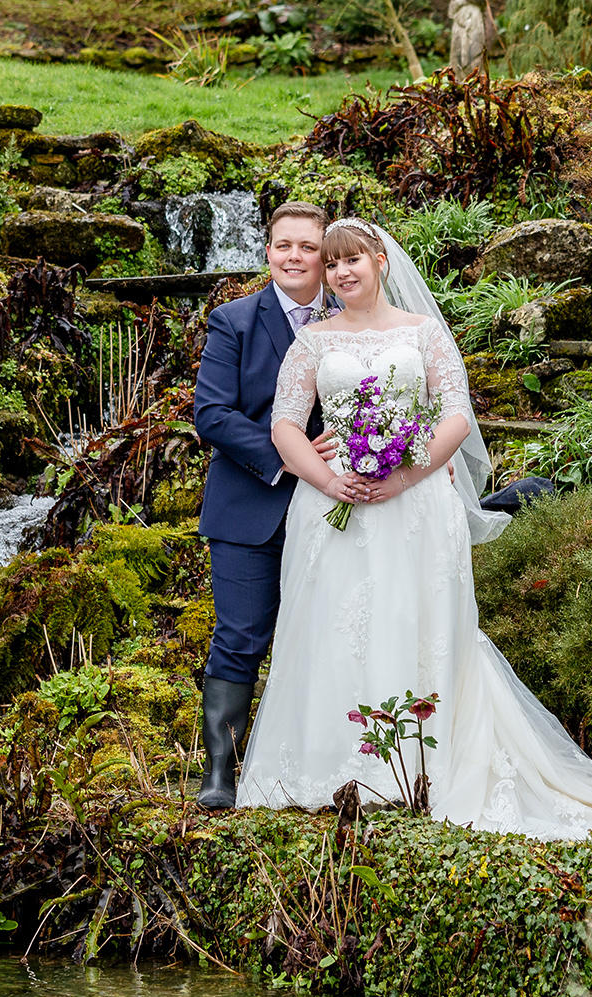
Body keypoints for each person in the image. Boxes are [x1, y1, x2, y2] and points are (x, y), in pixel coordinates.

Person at [235, 218, 592, 839]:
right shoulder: (310, 343)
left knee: (412, 620)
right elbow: (285, 427)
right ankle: (331, 768)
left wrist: (402, 475)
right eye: (332, 264)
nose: (342, 272)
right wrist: (330, 480)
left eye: (353, 260)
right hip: (332, 504)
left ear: (381, 263)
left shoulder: (422, 335)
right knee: (335, 623)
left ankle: (416, 768)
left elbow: (454, 417)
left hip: (412, 502)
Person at [192, 202, 339, 810]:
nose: (295, 257)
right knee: (240, 635)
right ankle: (221, 769)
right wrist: (292, 454)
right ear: (268, 251)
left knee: (330, 636)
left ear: (326, 255)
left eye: (308, 247)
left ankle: (326, 762)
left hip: (340, 505)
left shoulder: (353, 316)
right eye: (284, 246)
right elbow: (212, 414)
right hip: (251, 503)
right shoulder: (235, 321)